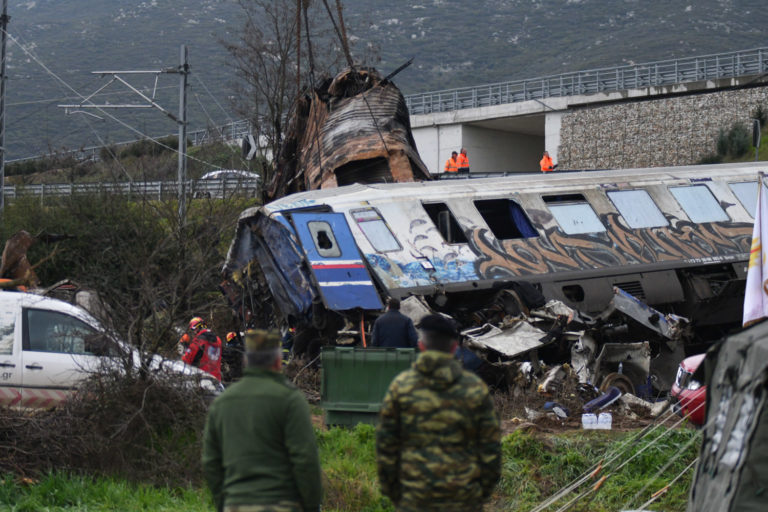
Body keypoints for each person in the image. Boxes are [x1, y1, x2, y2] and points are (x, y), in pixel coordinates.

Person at [376, 314, 501, 512]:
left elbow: (386, 447)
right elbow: (491, 451)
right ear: (454, 347)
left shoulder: (401, 387)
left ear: (422, 345)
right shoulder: (475, 389)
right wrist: (479, 495)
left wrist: (396, 495)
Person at [203, 329, 322, 512]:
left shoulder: (223, 402)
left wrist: (223, 503)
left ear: (246, 361)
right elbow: (305, 460)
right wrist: (311, 506)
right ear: (277, 362)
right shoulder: (290, 400)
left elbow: (211, 462)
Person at [182, 316, 222, 381]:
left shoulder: (199, 340)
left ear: (197, 328)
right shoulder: (218, 339)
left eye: (193, 329)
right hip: (217, 378)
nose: (193, 332)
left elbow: (187, 360)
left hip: (203, 378)